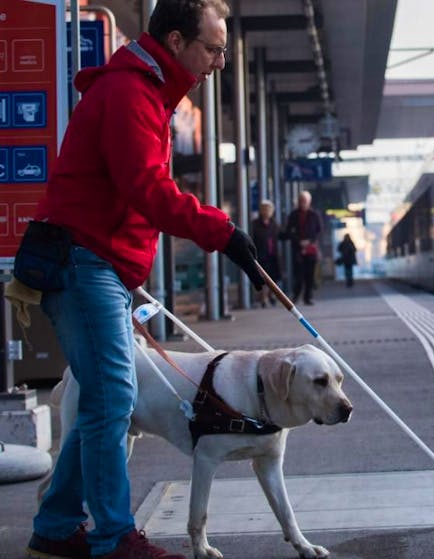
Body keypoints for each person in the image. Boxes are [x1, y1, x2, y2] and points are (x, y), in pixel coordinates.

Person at [23, 2, 264, 558]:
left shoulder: (146, 93)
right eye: (213, 48)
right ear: (176, 42)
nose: (220, 62)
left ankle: (57, 526)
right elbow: (147, 190)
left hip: (98, 263)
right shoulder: (130, 94)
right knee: (113, 399)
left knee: (103, 400)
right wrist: (221, 231)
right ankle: (113, 537)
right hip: (86, 262)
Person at [283, 190, 322, 304]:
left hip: (311, 249)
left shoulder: (315, 215)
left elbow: (319, 231)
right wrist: (298, 241)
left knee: (309, 274)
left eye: (304, 201)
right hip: (297, 249)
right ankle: (296, 295)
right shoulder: (293, 215)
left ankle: (308, 297)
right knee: (298, 274)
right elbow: (288, 231)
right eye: (301, 201)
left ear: (309, 202)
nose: (302, 203)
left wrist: (310, 241)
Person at [251, 200, 281, 306]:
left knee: (273, 277)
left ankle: (270, 296)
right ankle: (264, 298)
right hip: (261, 254)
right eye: (264, 209)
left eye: (269, 209)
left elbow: (281, 235)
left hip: (273, 254)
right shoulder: (255, 224)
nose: (267, 211)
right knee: (263, 278)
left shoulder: (274, 224)